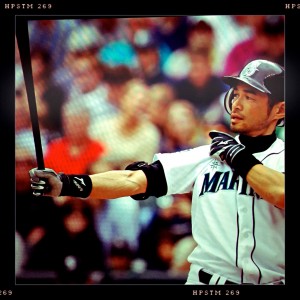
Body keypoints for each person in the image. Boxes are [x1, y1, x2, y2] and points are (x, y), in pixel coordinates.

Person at [29, 59, 285, 285]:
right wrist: (66, 183)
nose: (237, 104)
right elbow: (133, 180)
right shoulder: (209, 154)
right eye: (236, 94)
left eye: (250, 97)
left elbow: (280, 192)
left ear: (279, 110)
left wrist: (239, 157)